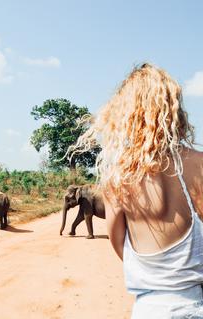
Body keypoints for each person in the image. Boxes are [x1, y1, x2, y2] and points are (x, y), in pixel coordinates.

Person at [74, 63, 203, 318]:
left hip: (147, 309)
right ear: (174, 109)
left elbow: (121, 247)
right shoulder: (200, 165)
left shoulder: (117, 179)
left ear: (125, 114)